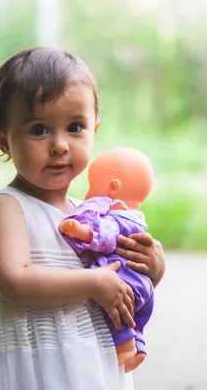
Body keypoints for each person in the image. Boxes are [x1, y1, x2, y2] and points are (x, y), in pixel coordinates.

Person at [0, 47, 166, 390]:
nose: (60, 145)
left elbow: (116, 278)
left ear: (95, 129)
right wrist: (94, 284)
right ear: (3, 140)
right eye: (39, 130)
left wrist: (150, 268)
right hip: (23, 357)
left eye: (75, 127)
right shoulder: (9, 207)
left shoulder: (90, 214)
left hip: (84, 358)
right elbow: (14, 282)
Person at [59, 147, 155, 373]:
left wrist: (83, 232)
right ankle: (138, 347)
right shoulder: (137, 218)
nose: (88, 192)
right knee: (136, 320)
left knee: (114, 312)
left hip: (124, 280)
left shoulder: (117, 217)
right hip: (142, 284)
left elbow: (107, 235)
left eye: (92, 186)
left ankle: (125, 347)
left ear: (112, 188)